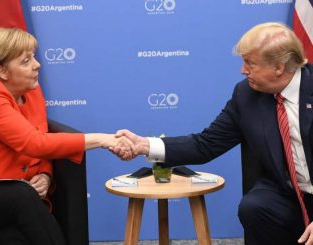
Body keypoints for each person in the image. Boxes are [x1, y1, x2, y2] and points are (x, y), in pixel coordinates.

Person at [114, 22, 313, 245]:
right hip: (290, 194)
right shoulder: (246, 95)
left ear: (278, 67)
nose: (243, 70)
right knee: (254, 207)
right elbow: (205, 144)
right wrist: (145, 145)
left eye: (250, 63)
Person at [0, 27, 133, 245]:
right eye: (26, 61)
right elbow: (34, 143)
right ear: (2, 71)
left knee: (16, 237)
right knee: (21, 196)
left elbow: (42, 137)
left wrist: (46, 175)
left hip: (3, 191)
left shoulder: (31, 91)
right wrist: (102, 139)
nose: (37, 65)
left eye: (33, 57)